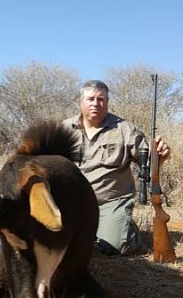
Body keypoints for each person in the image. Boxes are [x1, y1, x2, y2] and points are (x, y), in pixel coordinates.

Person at [63, 80, 170, 256]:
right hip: (73, 202)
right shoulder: (64, 129)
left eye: (101, 99)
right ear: (80, 102)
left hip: (110, 201)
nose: (96, 103)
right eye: (91, 99)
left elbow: (149, 164)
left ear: (107, 102)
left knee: (115, 247)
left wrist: (160, 157)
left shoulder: (125, 129)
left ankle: (126, 230)